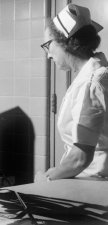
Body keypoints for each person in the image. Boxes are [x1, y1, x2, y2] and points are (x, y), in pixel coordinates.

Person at [35, 3, 108, 182]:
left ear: (66, 42)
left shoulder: (94, 82)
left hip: (93, 184)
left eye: (47, 45)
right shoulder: (91, 77)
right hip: (87, 180)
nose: (48, 55)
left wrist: (46, 179)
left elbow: (80, 158)